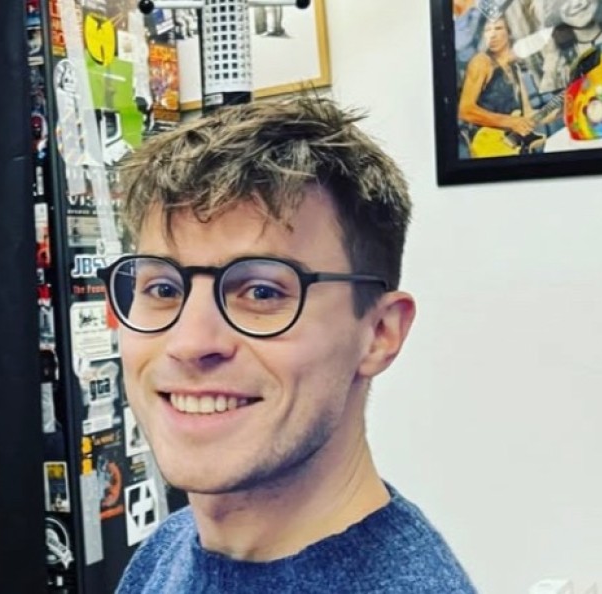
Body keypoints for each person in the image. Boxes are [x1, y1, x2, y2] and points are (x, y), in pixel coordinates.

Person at [98, 96, 477, 593]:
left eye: (262, 292)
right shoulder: (169, 547)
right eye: (163, 289)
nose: (189, 342)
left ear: (380, 333)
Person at [458, 15, 554, 157]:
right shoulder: (481, 62)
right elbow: (465, 110)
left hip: (513, 146)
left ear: (509, 33)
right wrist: (511, 122)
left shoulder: (515, 69)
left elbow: (527, 114)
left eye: (498, 28)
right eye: (487, 30)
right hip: (487, 143)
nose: (492, 34)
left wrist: (558, 110)